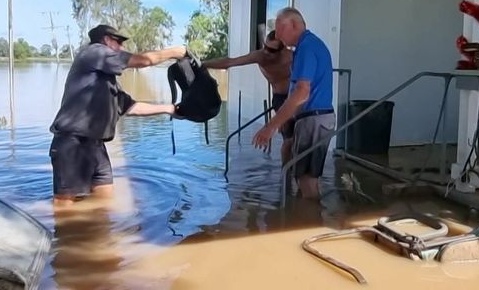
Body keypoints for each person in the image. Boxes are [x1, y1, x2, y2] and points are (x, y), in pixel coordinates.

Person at [50, 24, 186, 204]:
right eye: (119, 42)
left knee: (104, 204)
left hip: (96, 147)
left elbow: (131, 107)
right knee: (64, 208)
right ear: (106, 40)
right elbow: (144, 60)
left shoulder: (107, 82)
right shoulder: (94, 52)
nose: (122, 47)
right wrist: (177, 52)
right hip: (73, 144)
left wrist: (170, 109)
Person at [252, 8, 334, 199]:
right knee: (306, 178)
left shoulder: (306, 47)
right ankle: (303, 220)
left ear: (295, 25)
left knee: (306, 180)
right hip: (313, 118)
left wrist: (272, 126)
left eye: (280, 28)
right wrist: (290, 117)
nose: (278, 35)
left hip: (314, 120)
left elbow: (302, 92)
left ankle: (310, 224)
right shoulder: (308, 46)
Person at [202, 30, 295, 162]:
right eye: (265, 47)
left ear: (282, 50)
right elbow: (230, 62)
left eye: (272, 50)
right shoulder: (259, 56)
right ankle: (286, 176)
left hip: (296, 96)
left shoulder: (292, 56)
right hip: (280, 98)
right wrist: (203, 64)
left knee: (302, 136)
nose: (267, 52)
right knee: (289, 139)